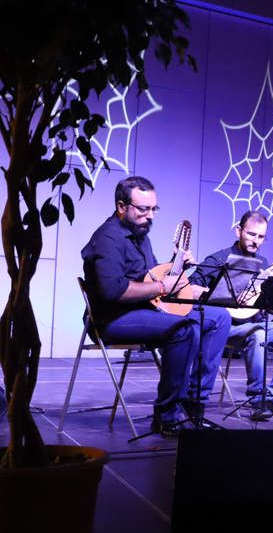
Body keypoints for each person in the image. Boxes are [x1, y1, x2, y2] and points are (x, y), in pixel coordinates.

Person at [81, 176, 231, 436]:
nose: (150, 216)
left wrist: (177, 267)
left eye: (153, 209)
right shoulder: (108, 238)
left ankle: (193, 405)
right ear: (121, 206)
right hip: (111, 319)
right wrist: (164, 287)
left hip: (145, 309)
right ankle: (167, 415)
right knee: (184, 329)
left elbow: (151, 276)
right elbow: (113, 291)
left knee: (219, 318)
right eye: (143, 209)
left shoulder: (140, 235)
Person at [190, 211, 273, 418]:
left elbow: (269, 308)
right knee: (258, 335)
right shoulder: (219, 259)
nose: (256, 241)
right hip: (225, 325)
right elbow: (191, 288)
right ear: (239, 231)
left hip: (255, 322)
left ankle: (272, 396)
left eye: (261, 237)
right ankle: (257, 398)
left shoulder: (263, 264)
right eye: (251, 234)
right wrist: (221, 296)